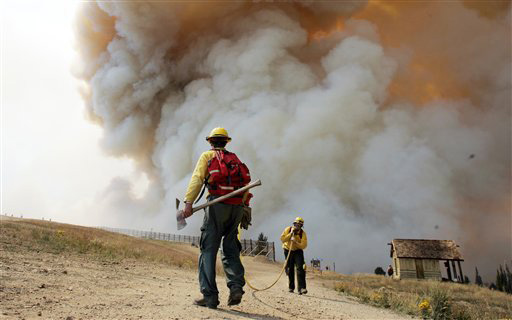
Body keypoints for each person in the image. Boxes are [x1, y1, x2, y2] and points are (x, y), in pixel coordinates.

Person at [182, 127, 251, 309]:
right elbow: (245, 184)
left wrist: (188, 202)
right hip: (236, 206)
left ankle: (209, 296)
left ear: (210, 142)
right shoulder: (235, 159)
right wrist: (244, 206)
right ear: (226, 142)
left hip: (216, 206)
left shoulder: (207, 156)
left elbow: (197, 178)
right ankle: (236, 286)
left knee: (208, 249)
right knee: (230, 248)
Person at [280, 217, 308, 294]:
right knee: (290, 268)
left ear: (301, 226)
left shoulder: (303, 234)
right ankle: (291, 287)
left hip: (297, 251)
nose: (297, 226)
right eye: (296, 224)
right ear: (294, 224)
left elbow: (303, 245)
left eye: (299, 225)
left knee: (300, 268)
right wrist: (290, 234)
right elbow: (282, 239)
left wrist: (296, 242)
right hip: (288, 250)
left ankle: (302, 288)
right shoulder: (288, 229)